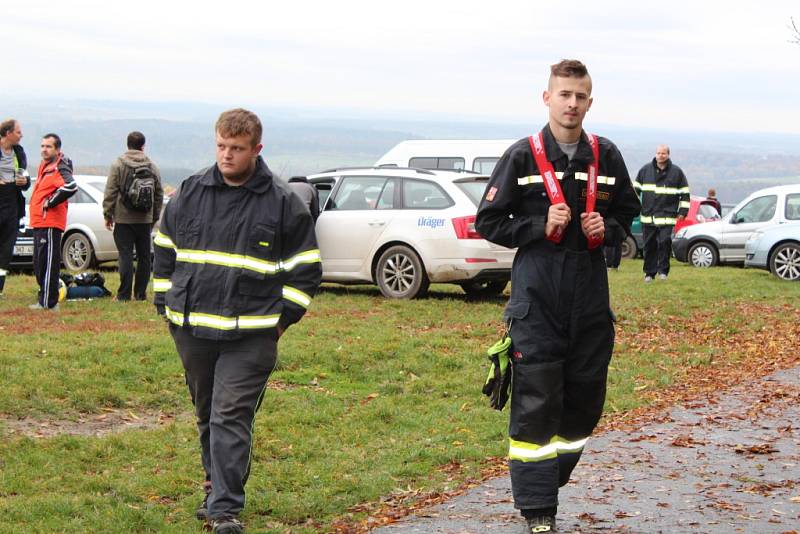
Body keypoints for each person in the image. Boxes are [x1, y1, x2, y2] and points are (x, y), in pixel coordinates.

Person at [475, 59, 640, 533]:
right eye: (563, 95)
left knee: (585, 403)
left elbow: (629, 218)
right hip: (537, 301)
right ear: (546, 98)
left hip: (589, 303)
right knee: (536, 405)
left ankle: (547, 480)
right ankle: (538, 511)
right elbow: (487, 222)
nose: (571, 104)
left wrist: (605, 228)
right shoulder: (522, 157)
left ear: (590, 102)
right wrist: (535, 226)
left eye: (580, 96)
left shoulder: (605, 156)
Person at [153, 109, 321, 534]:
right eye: (222, 146)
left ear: (256, 150)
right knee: (207, 412)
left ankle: (225, 509)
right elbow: (164, 249)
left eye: (237, 149)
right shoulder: (190, 191)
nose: (227, 155)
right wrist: (165, 305)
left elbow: (306, 269)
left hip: (252, 335)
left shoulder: (283, 203)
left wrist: (281, 323)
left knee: (230, 414)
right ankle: (215, 485)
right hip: (192, 329)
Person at [102, 131, 164, 301]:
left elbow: (111, 191)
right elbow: (159, 194)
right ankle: (140, 294)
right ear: (143, 146)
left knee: (125, 255)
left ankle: (123, 294)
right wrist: (154, 216)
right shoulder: (152, 166)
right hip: (145, 219)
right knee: (144, 257)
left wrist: (108, 214)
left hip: (123, 218)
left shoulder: (118, 164)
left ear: (127, 145)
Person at [29, 133, 76, 310]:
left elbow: (71, 186)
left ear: (57, 149)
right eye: (42, 146)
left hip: (50, 222)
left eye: (48, 146)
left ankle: (49, 303)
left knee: (48, 263)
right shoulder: (45, 166)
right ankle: (44, 298)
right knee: (39, 264)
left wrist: (51, 201)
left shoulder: (59, 167)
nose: (44, 149)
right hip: (39, 222)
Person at [634, 145, 689, 281]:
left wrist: (682, 211)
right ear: (655, 154)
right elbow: (635, 191)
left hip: (667, 217)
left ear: (668, 155)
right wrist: (634, 208)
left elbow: (685, 194)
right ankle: (649, 273)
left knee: (664, 243)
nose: (660, 156)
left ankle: (663, 271)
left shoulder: (677, 173)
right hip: (648, 216)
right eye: (658, 153)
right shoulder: (645, 170)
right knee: (649, 245)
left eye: (663, 153)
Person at [0, 119, 31, 297]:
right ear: (8, 133)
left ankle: (0, 287)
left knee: (6, 248)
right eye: (18, 132)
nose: (21, 135)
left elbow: (25, 177)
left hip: (12, 203)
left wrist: (24, 181)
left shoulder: (18, 152)